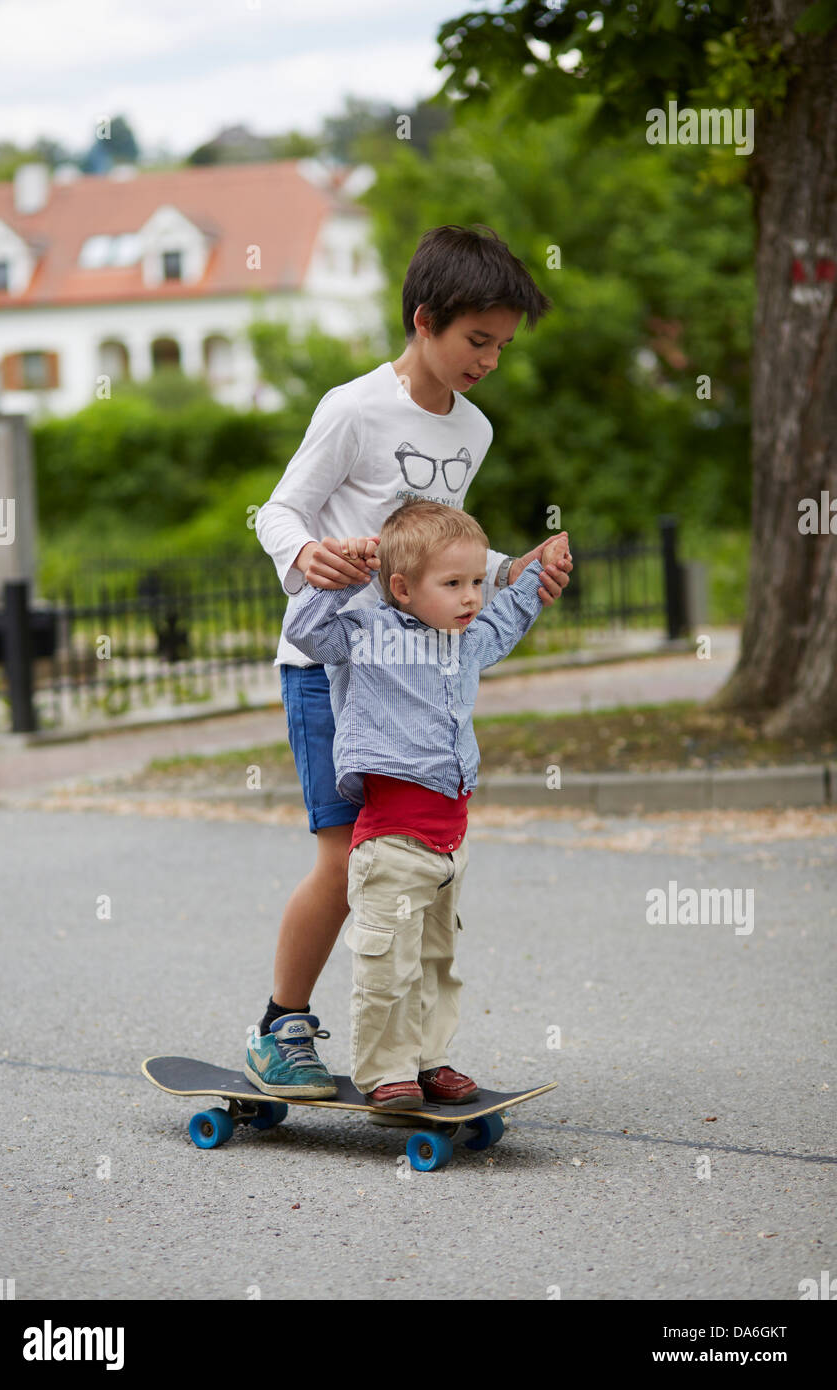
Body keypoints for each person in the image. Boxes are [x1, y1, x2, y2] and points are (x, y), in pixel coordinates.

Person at [246, 223, 567, 1099]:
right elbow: (280, 510)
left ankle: (414, 1048)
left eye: (501, 345)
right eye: (477, 340)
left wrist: (513, 570)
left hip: (405, 671)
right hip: (326, 662)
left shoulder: (474, 430)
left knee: (413, 869)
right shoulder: (352, 409)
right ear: (424, 320)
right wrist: (304, 557)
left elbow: (442, 544)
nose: (489, 360)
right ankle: (282, 1025)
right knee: (350, 858)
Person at [271, 501, 571, 1106]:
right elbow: (306, 632)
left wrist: (538, 574)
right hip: (391, 842)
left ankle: (429, 1060)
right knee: (388, 966)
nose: (470, 598)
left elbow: (507, 618)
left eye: (475, 584)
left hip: (448, 845)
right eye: (454, 584)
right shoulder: (365, 635)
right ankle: (387, 1072)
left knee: (436, 962)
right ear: (403, 588)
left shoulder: (465, 643)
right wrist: (345, 575)